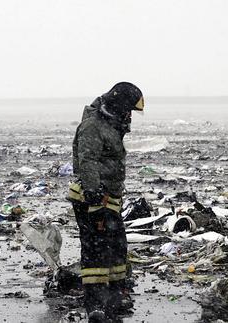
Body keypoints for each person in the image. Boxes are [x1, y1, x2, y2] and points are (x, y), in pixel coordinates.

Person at [67, 82, 144, 321]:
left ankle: (116, 295)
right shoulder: (93, 125)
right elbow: (87, 159)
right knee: (96, 251)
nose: (130, 115)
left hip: (109, 197)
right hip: (92, 198)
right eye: (128, 109)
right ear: (119, 105)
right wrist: (94, 192)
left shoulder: (111, 124)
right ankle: (95, 304)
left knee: (116, 245)